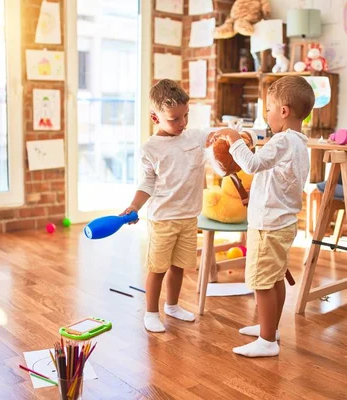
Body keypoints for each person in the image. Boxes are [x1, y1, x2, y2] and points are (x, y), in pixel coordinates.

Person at [215, 76, 313, 357]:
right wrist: (253, 197)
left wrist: (233, 139)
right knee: (275, 278)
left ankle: (267, 341)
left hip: (268, 226)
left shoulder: (282, 141)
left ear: (284, 111)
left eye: (268, 108)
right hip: (283, 222)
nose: (265, 114)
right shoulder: (297, 143)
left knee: (261, 281)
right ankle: (270, 328)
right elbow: (275, 178)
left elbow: (253, 164)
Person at [122, 79, 212, 333]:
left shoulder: (194, 137)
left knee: (179, 265)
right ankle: (151, 312)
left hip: (189, 216)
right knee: (158, 268)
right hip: (163, 218)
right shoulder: (150, 149)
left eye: (186, 116)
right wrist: (134, 206)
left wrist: (231, 136)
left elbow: (216, 133)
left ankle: (172, 305)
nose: (182, 123)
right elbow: (147, 183)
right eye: (174, 119)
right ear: (155, 117)